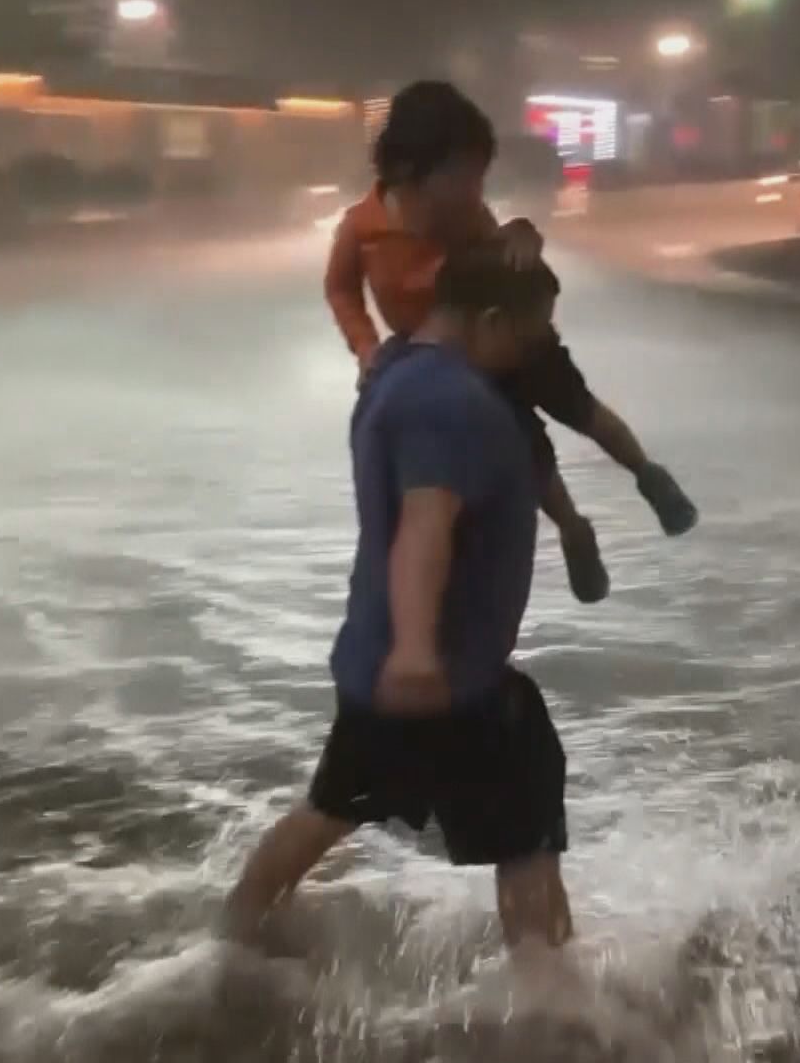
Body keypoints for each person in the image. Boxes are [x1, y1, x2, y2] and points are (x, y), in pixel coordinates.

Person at [224, 240, 574, 962]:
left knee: (334, 807)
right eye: (530, 333)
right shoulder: (453, 402)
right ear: (488, 320)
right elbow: (425, 523)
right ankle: (552, 1002)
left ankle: (233, 939)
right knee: (526, 823)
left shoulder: (397, 373)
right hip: (440, 675)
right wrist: (417, 648)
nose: (534, 353)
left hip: (394, 664)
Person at [325, 80, 697, 605]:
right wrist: (366, 349)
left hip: (514, 335)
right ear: (411, 169)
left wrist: (525, 234)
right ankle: (572, 529)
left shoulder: (467, 215)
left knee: (581, 409)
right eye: (463, 176)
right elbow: (341, 290)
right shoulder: (361, 228)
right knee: (524, 446)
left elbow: (510, 254)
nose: (474, 190)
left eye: (480, 177)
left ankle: (647, 474)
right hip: (456, 362)